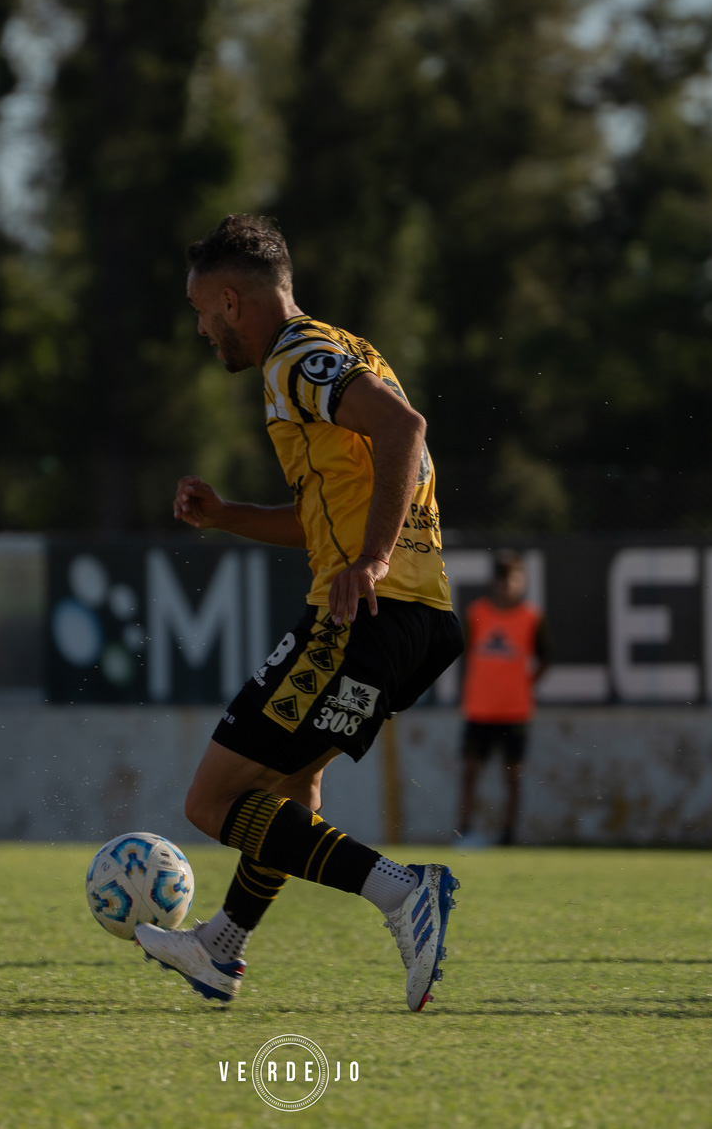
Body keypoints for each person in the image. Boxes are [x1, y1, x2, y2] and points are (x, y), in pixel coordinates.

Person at [136, 215, 464, 1012]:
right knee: (289, 796)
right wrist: (227, 517)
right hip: (417, 617)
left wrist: (372, 561)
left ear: (230, 299)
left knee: (211, 803)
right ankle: (221, 948)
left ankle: (401, 891)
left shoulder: (295, 358)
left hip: (363, 613)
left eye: (199, 311)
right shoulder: (342, 347)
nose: (201, 329)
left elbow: (404, 430)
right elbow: (330, 505)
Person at [454, 551, 548, 847]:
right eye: (503, 579)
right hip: (478, 708)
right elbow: (465, 652)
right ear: (495, 582)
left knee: (513, 776)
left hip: (515, 710)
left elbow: (545, 658)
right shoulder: (476, 613)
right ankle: (464, 831)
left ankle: (509, 835)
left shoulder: (531, 617)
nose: (508, 586)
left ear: (522, 582)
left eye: (514, 580)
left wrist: (524, 684)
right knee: (470, 772)